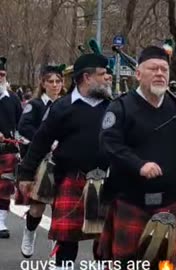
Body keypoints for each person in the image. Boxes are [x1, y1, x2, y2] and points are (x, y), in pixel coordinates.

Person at [97, 45, 176, 269]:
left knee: (167, 266)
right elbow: (109, 144)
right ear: (138, 74)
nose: (160, 74)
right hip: (131, 201)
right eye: (153, 68)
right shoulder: (121, 108)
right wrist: (139, 165)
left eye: (164, 70)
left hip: (173, 202)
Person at [16, 53, 111, 269]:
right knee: (68, 240)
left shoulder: (111, 107)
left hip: (104, 181)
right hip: (71, 178)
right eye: (103, 74)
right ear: (87, 78)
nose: (107, 78)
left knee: (104, 242)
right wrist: (26, 173)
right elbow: (41, 141)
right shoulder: (63, 107)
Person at [16, 65, 65, 258]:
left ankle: (57, 251)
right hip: (39, 163)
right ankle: (29, 232)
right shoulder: (35, 105)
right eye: (50, 81)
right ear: (43, 84)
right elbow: (24, 126)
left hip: (63, 162)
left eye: (58, 81)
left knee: (61, 209)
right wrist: (47, 141)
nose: (55, 85)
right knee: (37, 208)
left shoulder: (67, 104)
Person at [0, 56, 23, 239]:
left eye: (2, 74)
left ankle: (1, 222)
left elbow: (21, 124)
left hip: (7, 150)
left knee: (5, 188)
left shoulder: (13, 99)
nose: (0, 76)